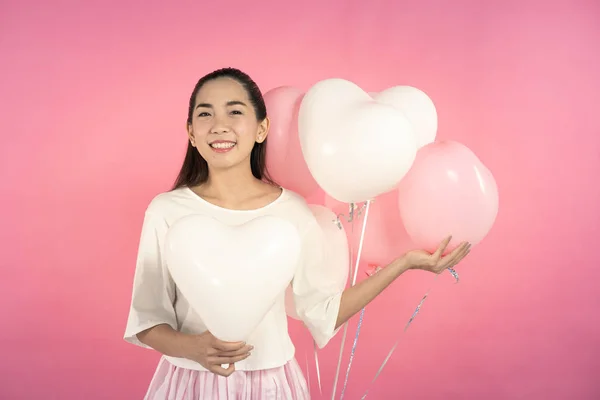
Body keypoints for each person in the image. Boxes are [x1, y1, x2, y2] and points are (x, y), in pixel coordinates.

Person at [123, 67, 471, 400]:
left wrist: (404, 262)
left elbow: (323, 312)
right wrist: (193, 348)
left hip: (271, 385)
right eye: (205, 114)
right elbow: (148, 317)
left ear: (261, 129)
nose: (219, 126)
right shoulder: (166, 210)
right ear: (190, 132)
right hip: (190, 383)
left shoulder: (290, 209)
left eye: (234, 113)